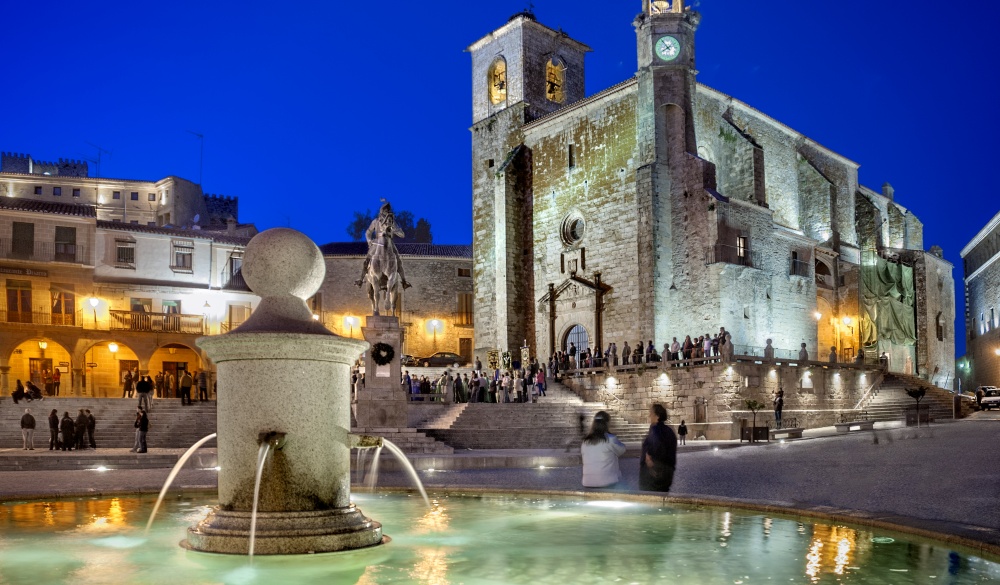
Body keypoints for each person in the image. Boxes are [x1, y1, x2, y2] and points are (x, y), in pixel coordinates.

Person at [580, 411, 627, 488]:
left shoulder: (585, 442)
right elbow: (622, 450)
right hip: (607, 481)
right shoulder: (610, 439)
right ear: (607, 423)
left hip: (587, 482)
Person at [639, 404, 677, 492]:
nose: (649, 416)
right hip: (667, 475)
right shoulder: (669, 431)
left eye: (651, 413)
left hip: (653, 477)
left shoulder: (656, 430)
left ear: (657, 415)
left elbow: (656, 448)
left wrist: (649, 460)